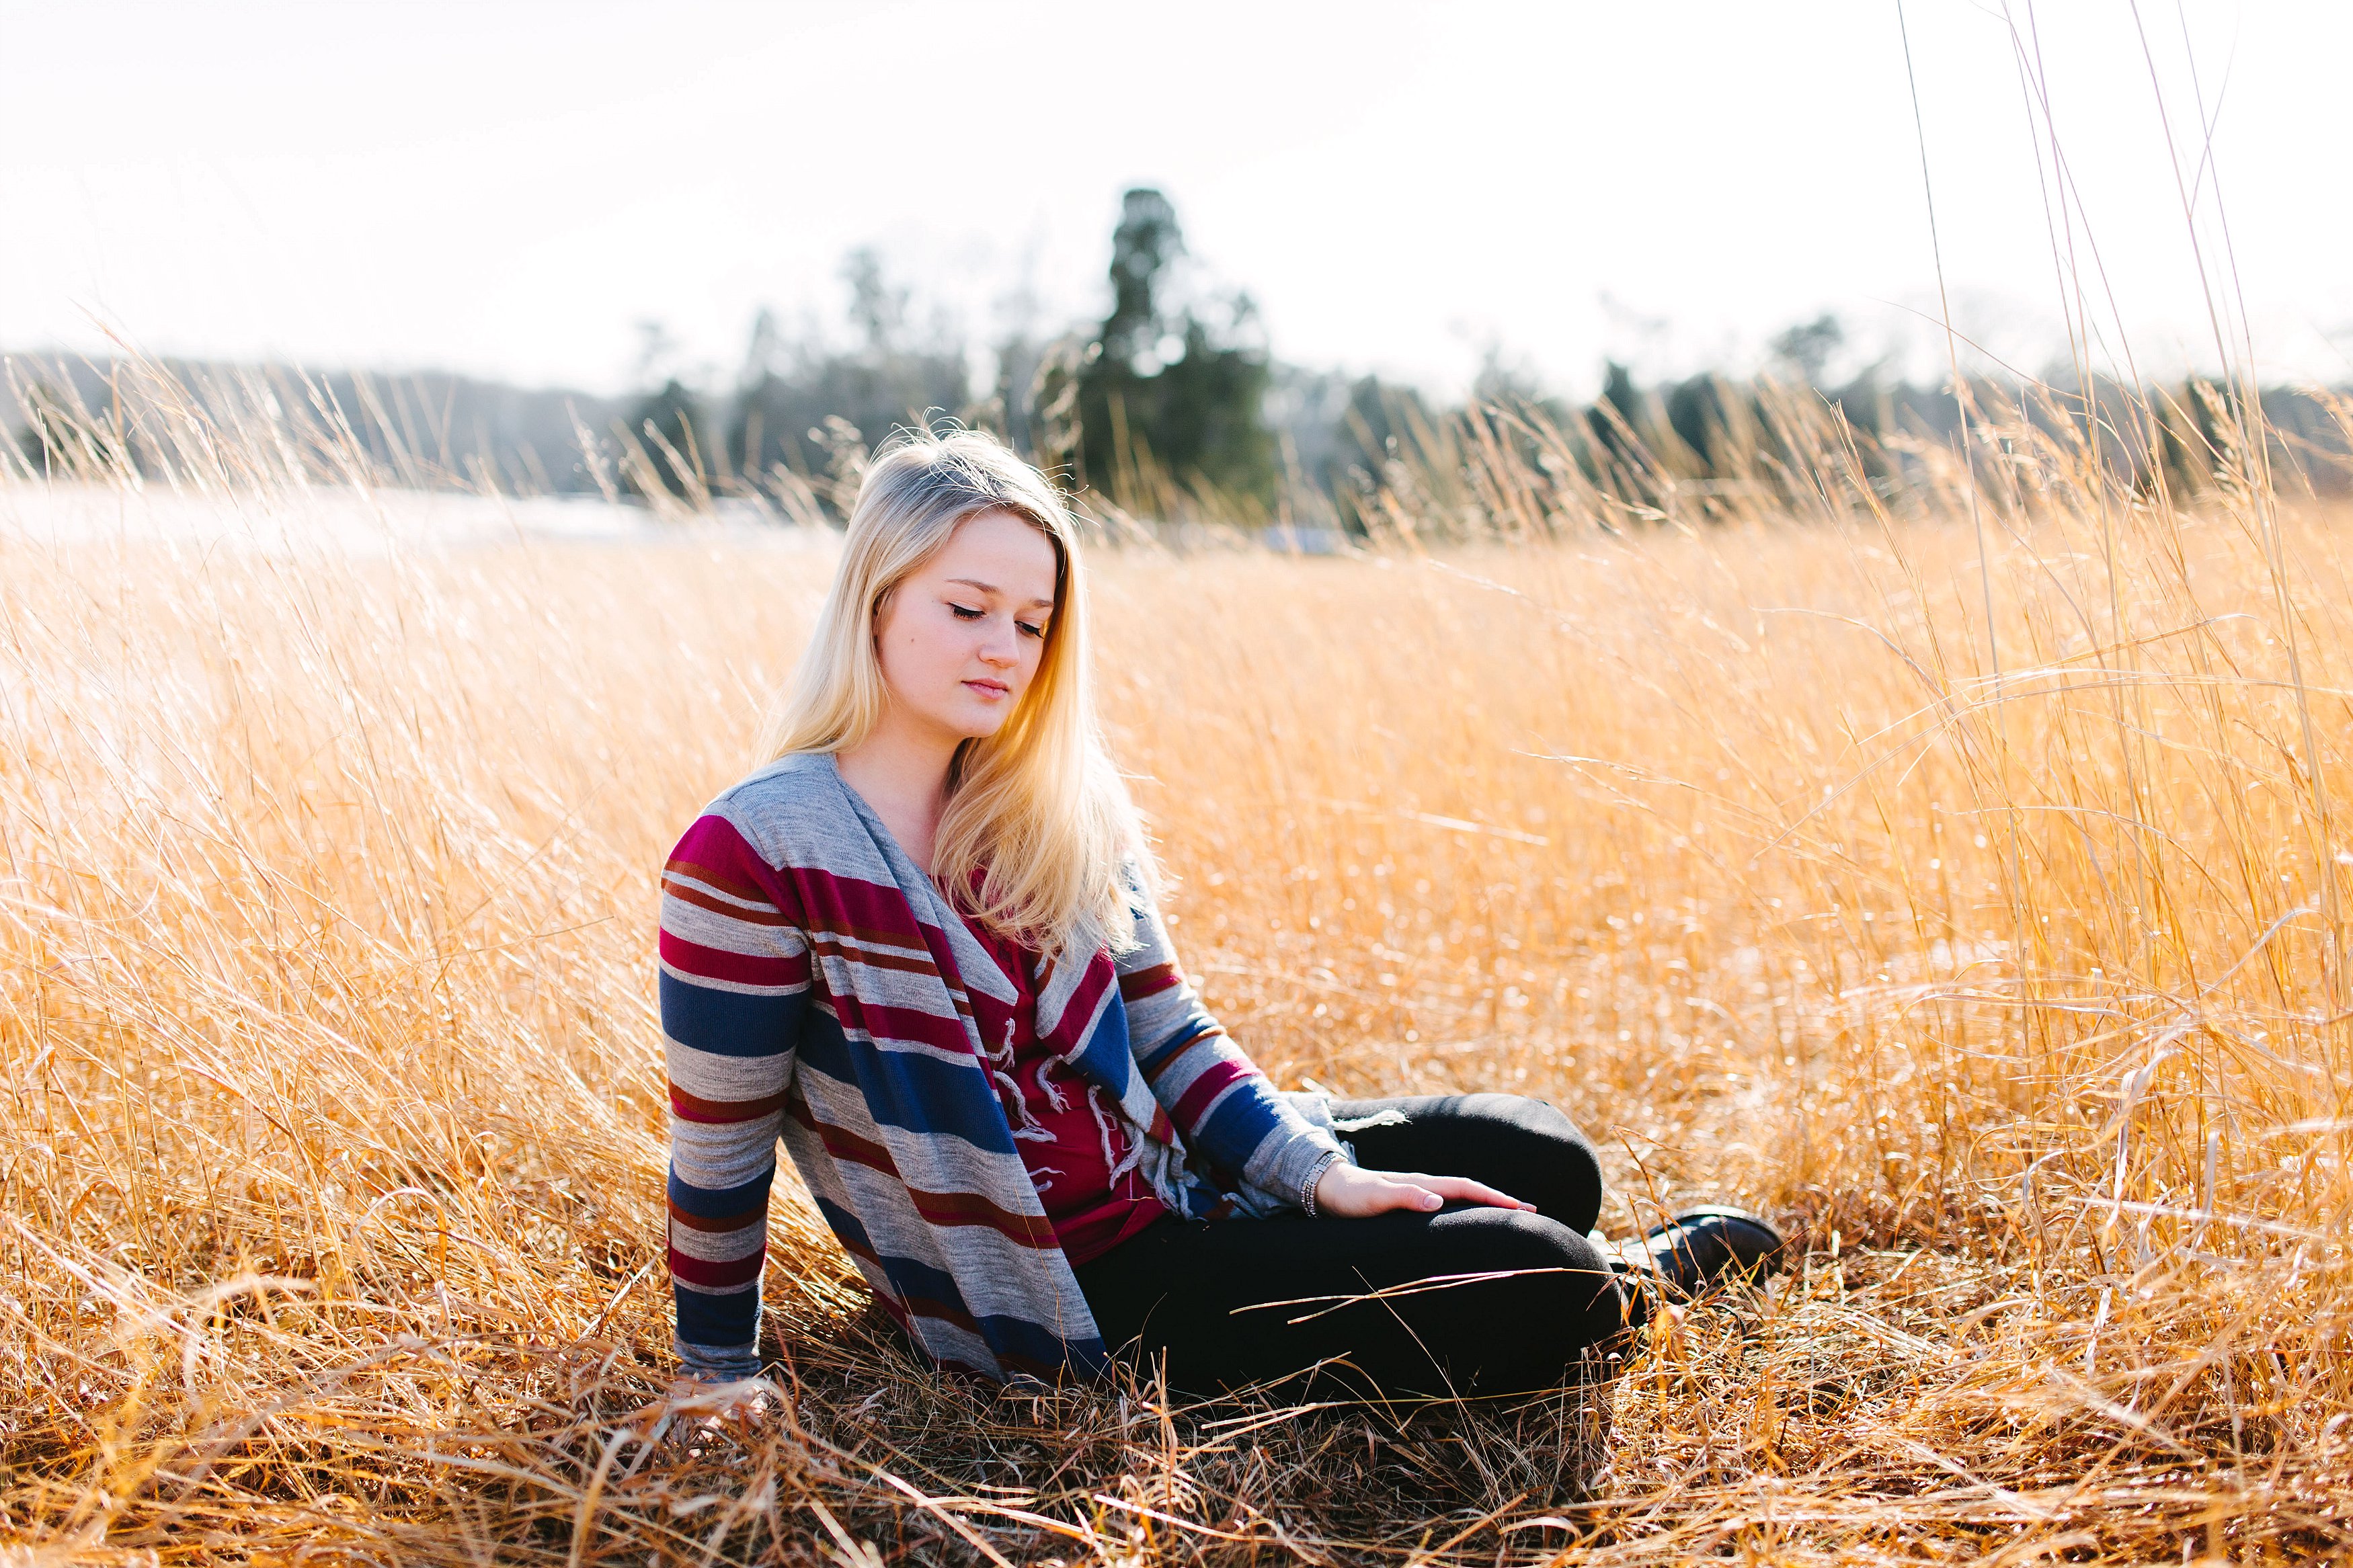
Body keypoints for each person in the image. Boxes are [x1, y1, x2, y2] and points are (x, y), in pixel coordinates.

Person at [657, 430, 1781, 1411]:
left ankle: (1515, 1244)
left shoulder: (1054, 805)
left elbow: (1169, 1033)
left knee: (1545, 1152)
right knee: (1543, 1276)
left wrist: (1317, 1175)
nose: (1003, 646)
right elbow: (721, 1148)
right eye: (965, 608)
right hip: (1076, 1290)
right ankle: (1619, 1280)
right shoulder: (759, 851)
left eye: (1033, 621)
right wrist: (717, 1368)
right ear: (876, 599)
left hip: (1175, 1178)